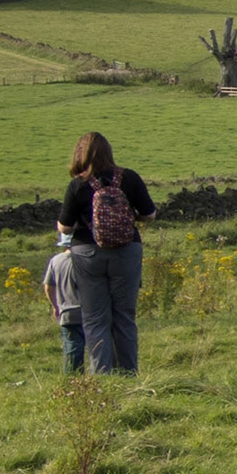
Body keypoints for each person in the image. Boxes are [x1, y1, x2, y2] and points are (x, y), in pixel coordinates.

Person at [56, 131, 156, 374]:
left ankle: (102, 376)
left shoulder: (77, 184)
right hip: (126, 250)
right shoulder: (129, 178)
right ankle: (129, 374)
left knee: (94, 318)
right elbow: (150, 214)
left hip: (87, 254)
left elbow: (65, 226)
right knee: (124, 316)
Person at [41, 232, 85, 373]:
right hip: (90, 310)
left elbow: (48, 287)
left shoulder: (56, 260)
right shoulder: (87, 258)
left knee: (72, 347)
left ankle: (73, 379)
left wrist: (55, 306)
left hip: (67, 311)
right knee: (97, 347)